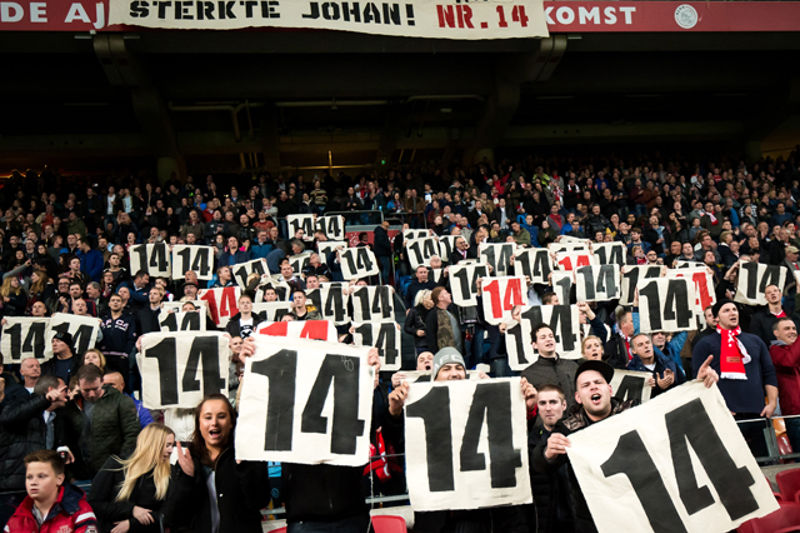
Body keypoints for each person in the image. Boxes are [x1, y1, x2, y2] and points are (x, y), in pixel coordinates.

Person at [533, 358, 719, 533]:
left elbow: (673, 420)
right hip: (595, 522)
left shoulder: (634, 413)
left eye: (598, 382)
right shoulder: (567, 429)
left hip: (640, 515)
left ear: (610, 390)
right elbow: (539, 465)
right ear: (578, 397)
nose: (593, 387)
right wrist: (548, 453)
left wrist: (698, 388)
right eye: (586, 385)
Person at [388, 347, 537, 533]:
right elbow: (399, 442)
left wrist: (527, 409)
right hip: (440, 516)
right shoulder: (419, 406)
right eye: (446, 369)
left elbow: (511, 437)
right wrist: (394, 412)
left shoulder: (483, 403)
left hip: (483, 511)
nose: (454, 373)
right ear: (434, 377)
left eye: (459, 368)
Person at [164, 394, 271, 533]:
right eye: (208, 417)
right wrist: (186, 478)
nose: (214, 422)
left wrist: (244, 468)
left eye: (221, 416)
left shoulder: (247, 455)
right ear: (199, 424)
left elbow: (259, 501)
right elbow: (172, 516)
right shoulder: (189, 459)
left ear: (231, 422)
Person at [692, 299, 778, 458]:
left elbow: (769, 373)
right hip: (725, 415)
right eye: (726, 310)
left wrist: (772, 403)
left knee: (765, 462)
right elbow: (697, 382)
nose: (732, 312)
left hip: (758, 413)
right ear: (716, 318)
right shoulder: (705, 344)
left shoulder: (755, 341)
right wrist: (717, 407)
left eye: (734, 309)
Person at [0, 375, 70, 528]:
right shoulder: (20, 399)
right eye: (64, 389)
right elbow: (7, 418)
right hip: (13, 489)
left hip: (40, 489)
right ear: (51, 390)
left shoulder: (57, 417)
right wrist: (45, 399)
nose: (68, 393)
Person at [89, 423, 175, 533]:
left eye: (172, 445)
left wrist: (132, 524)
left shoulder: (170, 473)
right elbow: (94, 504)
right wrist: (131, 510)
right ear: (153, 444)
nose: (171, 450)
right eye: (167, 445)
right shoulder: (117, 465)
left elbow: (168, 514)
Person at [62, 364, 140, 480]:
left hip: (113, 470)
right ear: (78, 384)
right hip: (80, 472)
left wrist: (119, 465)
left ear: (102, 382)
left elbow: (132, 436)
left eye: (95, 389)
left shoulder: (121, 401)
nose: (91, 394)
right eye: (86, 390)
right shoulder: (71, 406)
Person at [4, 449, 98, 533]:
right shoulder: (16, 517)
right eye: (29, 477)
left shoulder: (80, 511)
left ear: (59, 479)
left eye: (41, 476)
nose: (33, 482)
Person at [528, 384, 573, 533]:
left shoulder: (578, 434)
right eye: (542, 403)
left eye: (553, 402)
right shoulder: (530, 439)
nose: (548, 408)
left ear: (564, 405)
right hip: (546, 522)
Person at [522, 324, 579, 407]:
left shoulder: (572, 366)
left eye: (551, 336)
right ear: (535, 345)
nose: (548, 339)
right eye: (543, 337)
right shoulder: (528, 374)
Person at [769, 317, 800, 453]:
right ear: (776, 333)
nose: (792, 331)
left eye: (794, 328)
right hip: (795, 415)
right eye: (787, 329)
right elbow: (789, 361)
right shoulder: (775, 350)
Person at [424, 287, 462, 355]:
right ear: (440, 298)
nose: (449, 294)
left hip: (457, 352)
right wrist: (436, 354)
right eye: (446, 293)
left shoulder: (451, 312)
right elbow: (431, 336)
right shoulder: (432, 315)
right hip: (443, 354)